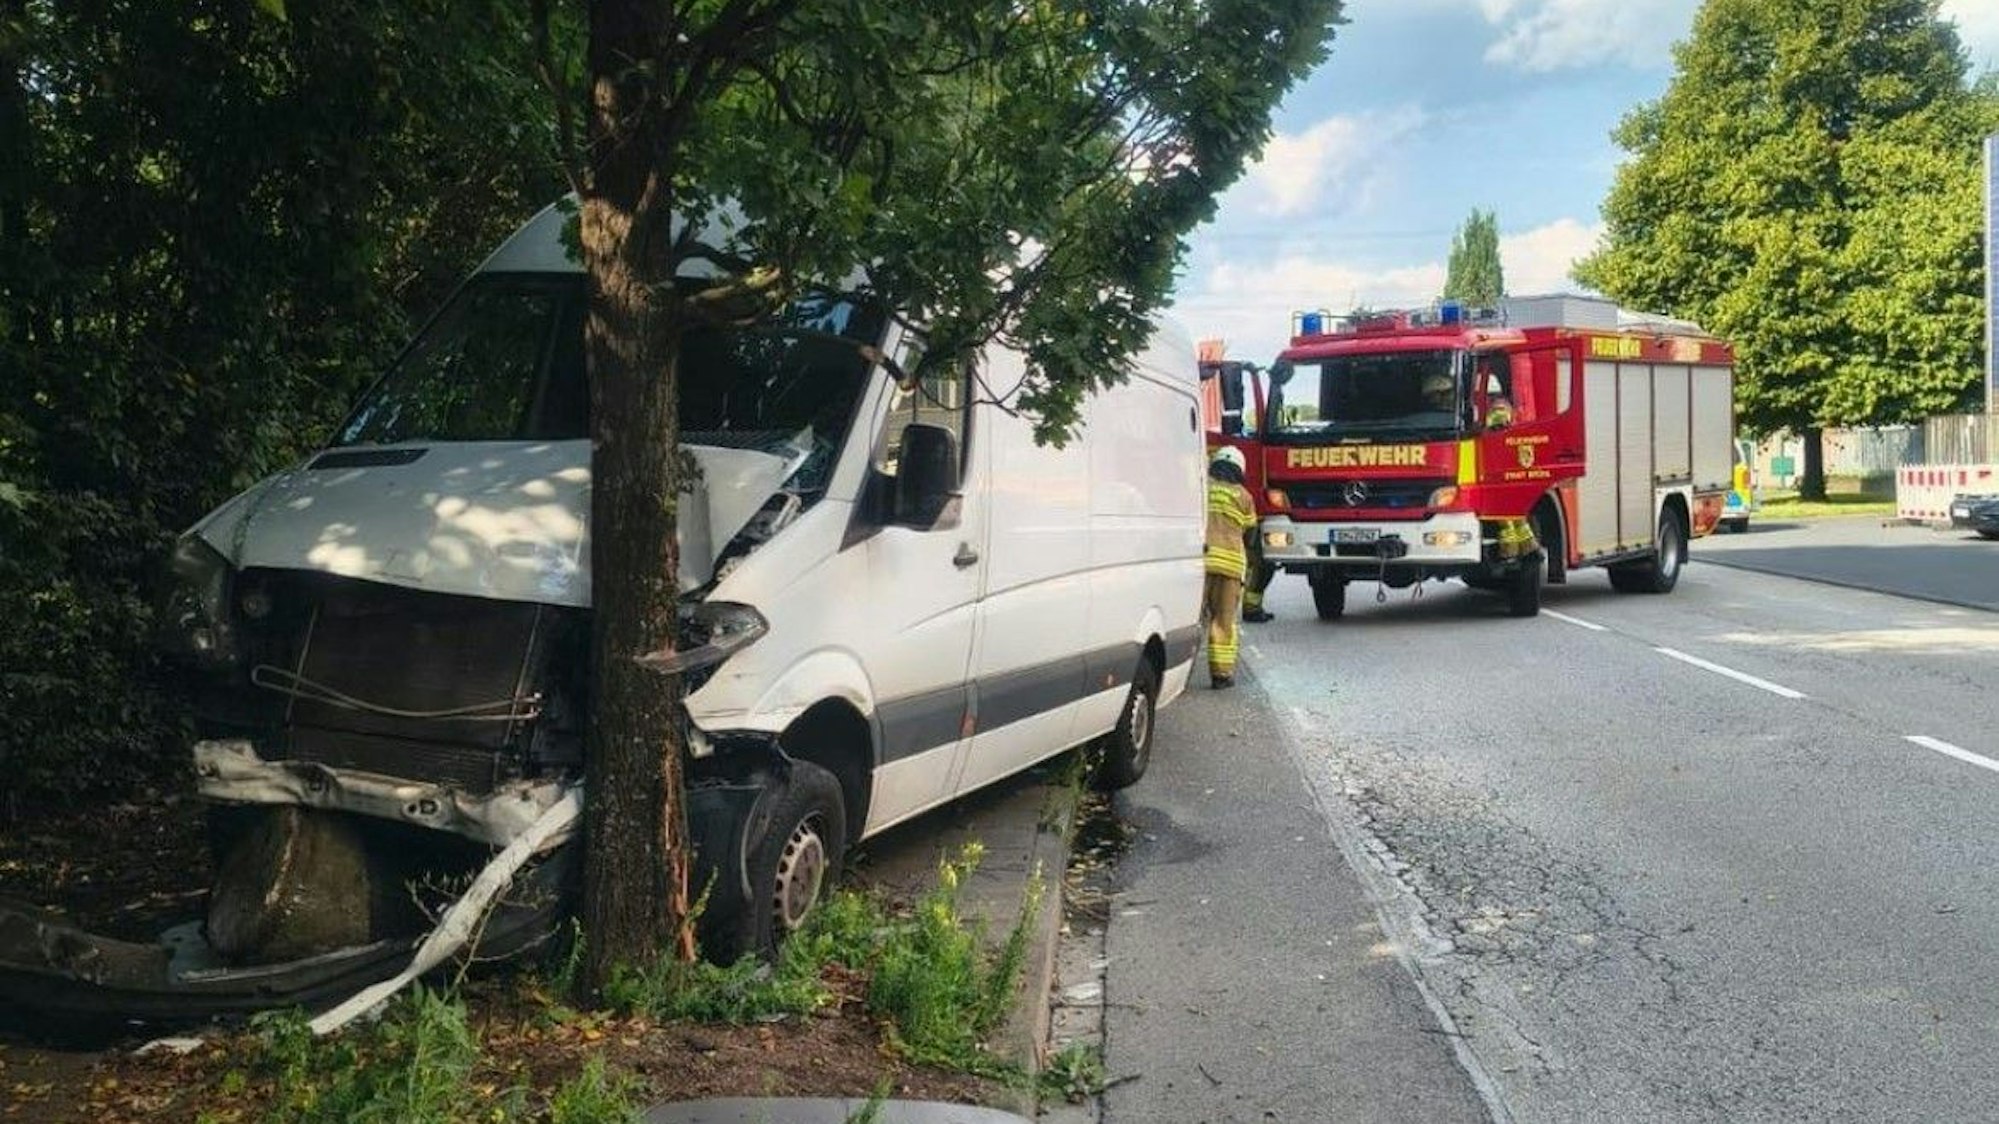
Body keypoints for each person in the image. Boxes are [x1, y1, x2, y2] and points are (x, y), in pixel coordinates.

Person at [1204, 446, 1257, 688]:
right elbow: (1251, 534)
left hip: (1200, 563)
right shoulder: (1244, 497)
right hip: (1230, 567)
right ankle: (1221, 675)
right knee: (1223, 621)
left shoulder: (1203, 489)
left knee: (1192, 619)